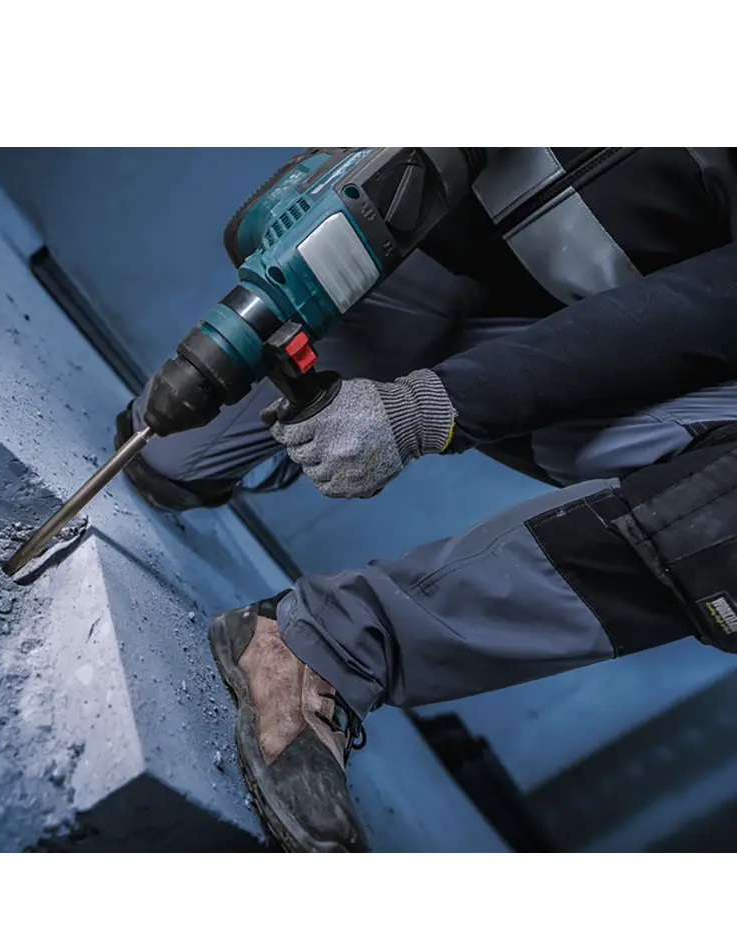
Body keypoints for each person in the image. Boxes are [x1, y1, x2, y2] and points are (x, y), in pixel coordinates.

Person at [115, 147, 737, 852]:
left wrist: (430, 406)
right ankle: (257, 421)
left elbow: (709, 307)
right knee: (169, 459)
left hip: (596, 370)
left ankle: (329, 647)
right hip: (423, 254)